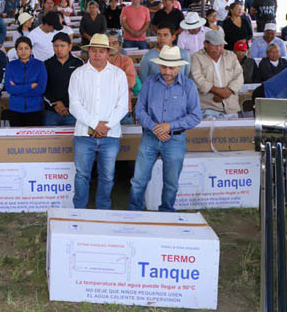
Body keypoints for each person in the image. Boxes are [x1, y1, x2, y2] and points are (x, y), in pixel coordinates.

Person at [128, 46, 202, 212]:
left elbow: (195, 116)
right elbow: (139, 110)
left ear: (179, 67)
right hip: (150, 136)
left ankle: (167, 212)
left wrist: (169, 126)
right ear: (159, 65)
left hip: (175, 139)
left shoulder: (189, 86)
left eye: (171, 67)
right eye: (163, 67)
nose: (167, 71)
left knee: (171, 182)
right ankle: (134, 212)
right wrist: (155, 127)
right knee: (138, 179)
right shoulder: (149, 83)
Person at [68, 34, 129, 209]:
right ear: (88, 52)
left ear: (108, 53)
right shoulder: (78, 74)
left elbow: (123, 106)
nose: (97, 54)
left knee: (107, 176)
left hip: (110, 134)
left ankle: (103, 211)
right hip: (83, 134)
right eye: (93, 51)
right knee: (81, 175)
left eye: (101, 51)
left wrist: (105, 126)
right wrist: (96, 125)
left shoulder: (119, 75)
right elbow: (74, 105)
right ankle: (79, 210)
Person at [190, 30, 243, 119]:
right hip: (208, 107)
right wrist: (218, 91)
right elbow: (197, 78)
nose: (218, 48)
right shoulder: (196, 57)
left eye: (221, 45)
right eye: (215, 45)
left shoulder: (231, 56)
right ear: (205, 44)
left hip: (231, 106)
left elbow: (239, 76)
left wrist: (228, 91)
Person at [4, 37, 47, 127]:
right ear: (16, 50)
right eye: (20, 48)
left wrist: (17, 88)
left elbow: (41, 89)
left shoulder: (39, 65)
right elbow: (9, 89)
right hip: (15, 109)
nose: (23, 51)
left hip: (35, 109)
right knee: (17, 140)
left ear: (31, 49)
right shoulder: (11, 66)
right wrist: (31, 86)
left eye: (26, 48)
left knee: (34, 140)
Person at [43, 32, 83, 126]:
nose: (59, 49)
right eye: (56, 46)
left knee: (71, 140)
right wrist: (54, 104)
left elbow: (82, 88)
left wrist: (69, 105)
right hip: (51, 112)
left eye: (62, 45)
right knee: (49, 140)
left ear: (70, 46)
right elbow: (42, 87)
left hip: (73, 112)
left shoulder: (78, 63)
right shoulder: (46, 64)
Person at [106, 31, 137, 113]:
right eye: (108, 43)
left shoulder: (126, 61)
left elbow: (131, 82)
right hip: (103, 108)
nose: (111, 46)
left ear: (120, 46)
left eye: (114, 43)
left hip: (123, 108)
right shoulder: (98, 61)